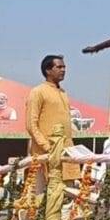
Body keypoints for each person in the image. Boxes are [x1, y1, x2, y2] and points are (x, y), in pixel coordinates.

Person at [25, 55, 81, 185]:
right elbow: (31, 125)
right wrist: (47, 146)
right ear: (48, 70)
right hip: (46, 152)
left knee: (68, 193)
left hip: (66, 151)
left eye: (64, 67)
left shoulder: (63, 92)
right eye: (59, 67)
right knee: (43, 195)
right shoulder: (38, 92)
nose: (63, 70)